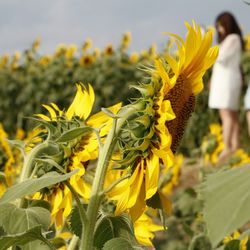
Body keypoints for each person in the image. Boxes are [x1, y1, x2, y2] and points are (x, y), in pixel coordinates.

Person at [208, 12, 244, 160]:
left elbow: (221, 57)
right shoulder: (229, 40)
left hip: (227, 81)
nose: (219, 29)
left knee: (226, 114)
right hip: (224, 80)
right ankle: (235, 146)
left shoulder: (233, 39)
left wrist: (206, 50)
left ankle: (227, 147)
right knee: (232, 114)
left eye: (221, 25)